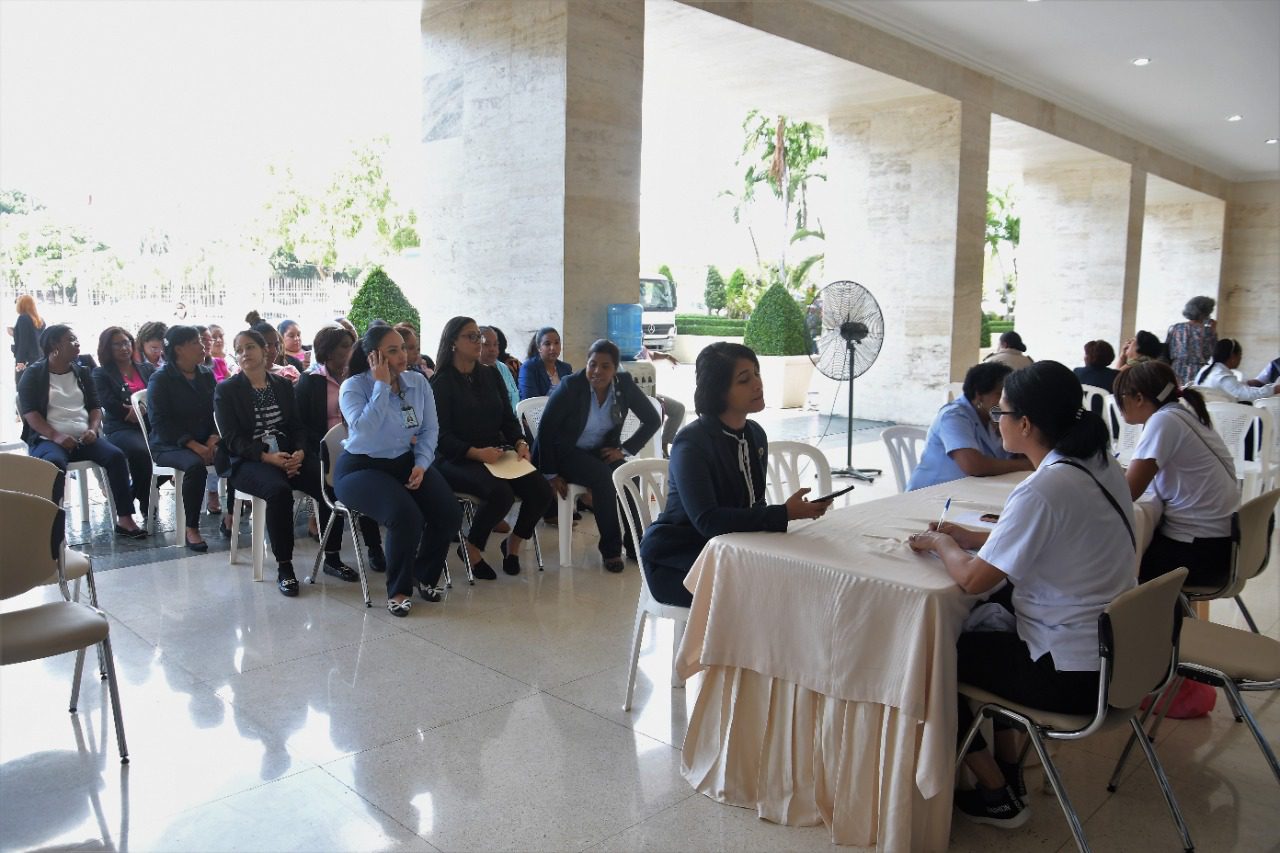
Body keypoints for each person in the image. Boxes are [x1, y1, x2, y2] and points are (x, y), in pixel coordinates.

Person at [907, 361, 1135, 828]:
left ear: (1026, 424)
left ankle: (996, 793)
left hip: (1070, 675)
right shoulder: (1099, 465)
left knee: (929, 663)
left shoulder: (1045, 488)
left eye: (1001, 414)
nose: (998, 422)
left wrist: (942, 543)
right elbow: (1054, 540)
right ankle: (1011, 768)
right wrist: (975, 540)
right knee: (996, 621)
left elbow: (973, 581)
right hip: (1119, 661)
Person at [639, 342, 832, 607]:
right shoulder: (691, 442)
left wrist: (788, 515)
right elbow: (707, 521)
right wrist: (784, 513)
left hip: (735, 550)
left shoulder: (755, 434)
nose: (757, 384)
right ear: (718, 390)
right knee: (770, 594)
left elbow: (754, 504)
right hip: (681, 559)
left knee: (808, 573)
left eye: (756, 373)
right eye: (744, 379)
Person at [335, 325, 460, 615]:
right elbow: (364, 431)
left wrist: (421, 464)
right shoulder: (354, 387)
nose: (403, 355)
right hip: (360, 468)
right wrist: (380, 386)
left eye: (403, 347)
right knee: (405, 516)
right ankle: (399, 590)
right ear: (373, 357)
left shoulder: (418, 383)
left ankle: (424, 574)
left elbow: (430, 430)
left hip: (404, 460)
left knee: (448, 512)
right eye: (393, 350)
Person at [432, 316, 553, 578]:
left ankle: (513, 543)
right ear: (453, 342)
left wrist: (520, 442)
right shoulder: (441, 382)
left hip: (495, 453)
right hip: (456, 458)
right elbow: (441, 437)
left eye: (480, 336)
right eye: (471, 337)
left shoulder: (490, 374)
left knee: (542, 491)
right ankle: (472, 547)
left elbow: (508, 420)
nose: (479, 342)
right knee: (501, 494)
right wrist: (475, 453)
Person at [214, 330, 327, 597]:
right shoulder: (227, 390)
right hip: (247, 460)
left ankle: (331, 555)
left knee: (323, 479)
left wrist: (299, 451)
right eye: (239, 349)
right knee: (278, 492)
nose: (245, 353)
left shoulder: (282, 385)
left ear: (265, 350)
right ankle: (285, 566)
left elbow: (297, 426)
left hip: (286, 454)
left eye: (250, 347)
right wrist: (267, 457)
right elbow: (232, 439)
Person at [534, 339, 661, 573]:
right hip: (565, 452)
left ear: (615, 369)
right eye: (592, 364)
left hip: (598, 450)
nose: (597, 372)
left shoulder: (623, 385)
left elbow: (653, 419)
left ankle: (635, 543)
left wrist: (623, 450)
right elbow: (546, 431)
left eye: (605, 366)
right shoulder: (571, 386)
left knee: (627, 475)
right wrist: (550, 474)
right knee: (603, 478)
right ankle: (611, 550)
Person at [18, 323, 147, 538]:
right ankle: (52, 525)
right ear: (54, 345)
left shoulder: (83, 371)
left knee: (115, 456)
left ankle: (125, 519)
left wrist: (92, 430)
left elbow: (95, 407)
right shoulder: (34, 375)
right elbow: (30, 414)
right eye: (70, 339)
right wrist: (56, 436)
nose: (76, 343)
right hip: (48, 439)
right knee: (55, 465)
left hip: (83, 437)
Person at [1114, 361, 1237, 586]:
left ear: (1139, 398)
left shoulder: (1163, 421)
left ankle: (1153, 620)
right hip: (1222, 543)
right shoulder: (1182, 414)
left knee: (1117, 565)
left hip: (1202, 552)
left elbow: (1128, 491)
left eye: (1120, 397)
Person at [295, 323, 385, 579]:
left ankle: (374, 547)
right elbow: (301, 425)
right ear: (328, 352)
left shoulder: (359, 378)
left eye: (352, 345)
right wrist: (325, 445)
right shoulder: (311, 381)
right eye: (345, 346)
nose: (351, 350)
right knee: (331, 484)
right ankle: (332, 557)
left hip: (359, 447)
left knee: (370, 478)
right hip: (322, 452)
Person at [146, 325, 219, 551]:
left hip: (205, 441)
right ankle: (192, 528)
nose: (203, 346)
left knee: (239, 453)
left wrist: (213, 438)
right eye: (196, 342)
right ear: (179, 349)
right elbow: (161, 422)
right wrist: (194, 445)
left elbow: (216, 410)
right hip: (169, 445)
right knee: (195, 467)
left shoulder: (206, 374)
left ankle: (230, 518)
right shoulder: (161, 379)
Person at [907, 362, 1032, 491]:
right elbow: (974, 466)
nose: (1006, 401)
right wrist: (1027, 464)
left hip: (969, 492)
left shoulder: (992, 417)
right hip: (930, 495)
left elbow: (1016, 453)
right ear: (979, 395)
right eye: (999, 394)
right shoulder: (953, 416)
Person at [92, 326, 156, 519]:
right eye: (117, 344)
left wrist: (143, 409)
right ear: (107, 348)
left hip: (149, 424)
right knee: (141, 452)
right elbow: (107, 401)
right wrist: (128, 412)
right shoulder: (101, 373)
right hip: (121, 427)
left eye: (126, 342)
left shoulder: (147, 368)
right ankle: (147, 501)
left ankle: (132, 493)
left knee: (171, 450)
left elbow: (157, 395)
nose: (124, 348)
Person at [635, 346, 687, 458]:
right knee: (657, 412)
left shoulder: (643, 350)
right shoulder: (628, 352)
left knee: (678, 409)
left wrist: (668, 356)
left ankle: (664, 445)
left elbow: (653, 354)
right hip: (636, 399)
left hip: (652, 394)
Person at [1193, 338, 1278, 401]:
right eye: (1240, 355)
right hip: (1225, 417)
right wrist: (1274, 390)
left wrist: (1245, 383)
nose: (1241, 359)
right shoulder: (1222, 376)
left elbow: (1228, 388)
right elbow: (1247, 395)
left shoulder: (1206, 369)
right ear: (1233, 357)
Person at [1167, 296, 1218, 386]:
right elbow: (1210, 353)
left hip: (1175, 369)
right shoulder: (1206, 331)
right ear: (1205, 313)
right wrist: (1213, 332)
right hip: (1196, 371)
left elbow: (1169, 348)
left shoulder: (1176, 327)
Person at [519, 326, 572, 399]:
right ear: (539, 348)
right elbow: (530, 401)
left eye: (557, 343)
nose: (553, 348)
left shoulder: (566, 368)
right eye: (547, 344)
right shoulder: (528, 368)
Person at [247, 312, 302, 380]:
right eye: (267, 345)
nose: (274, 351)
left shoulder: (290, 374)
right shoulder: (240, 377)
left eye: (276, 345)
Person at [479, 325, 519, 413]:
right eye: (486, 344)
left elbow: (515, 394)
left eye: (495, 344)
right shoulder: (471, 371)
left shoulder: (503, 367)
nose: (492, 349)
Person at [11, 293, 44, 374]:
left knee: (23, 384)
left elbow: (23, 342)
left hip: (26, 360)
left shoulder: (23, 318)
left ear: (21, 305)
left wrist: (20, 361)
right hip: (39, 358)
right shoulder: (40, 320)